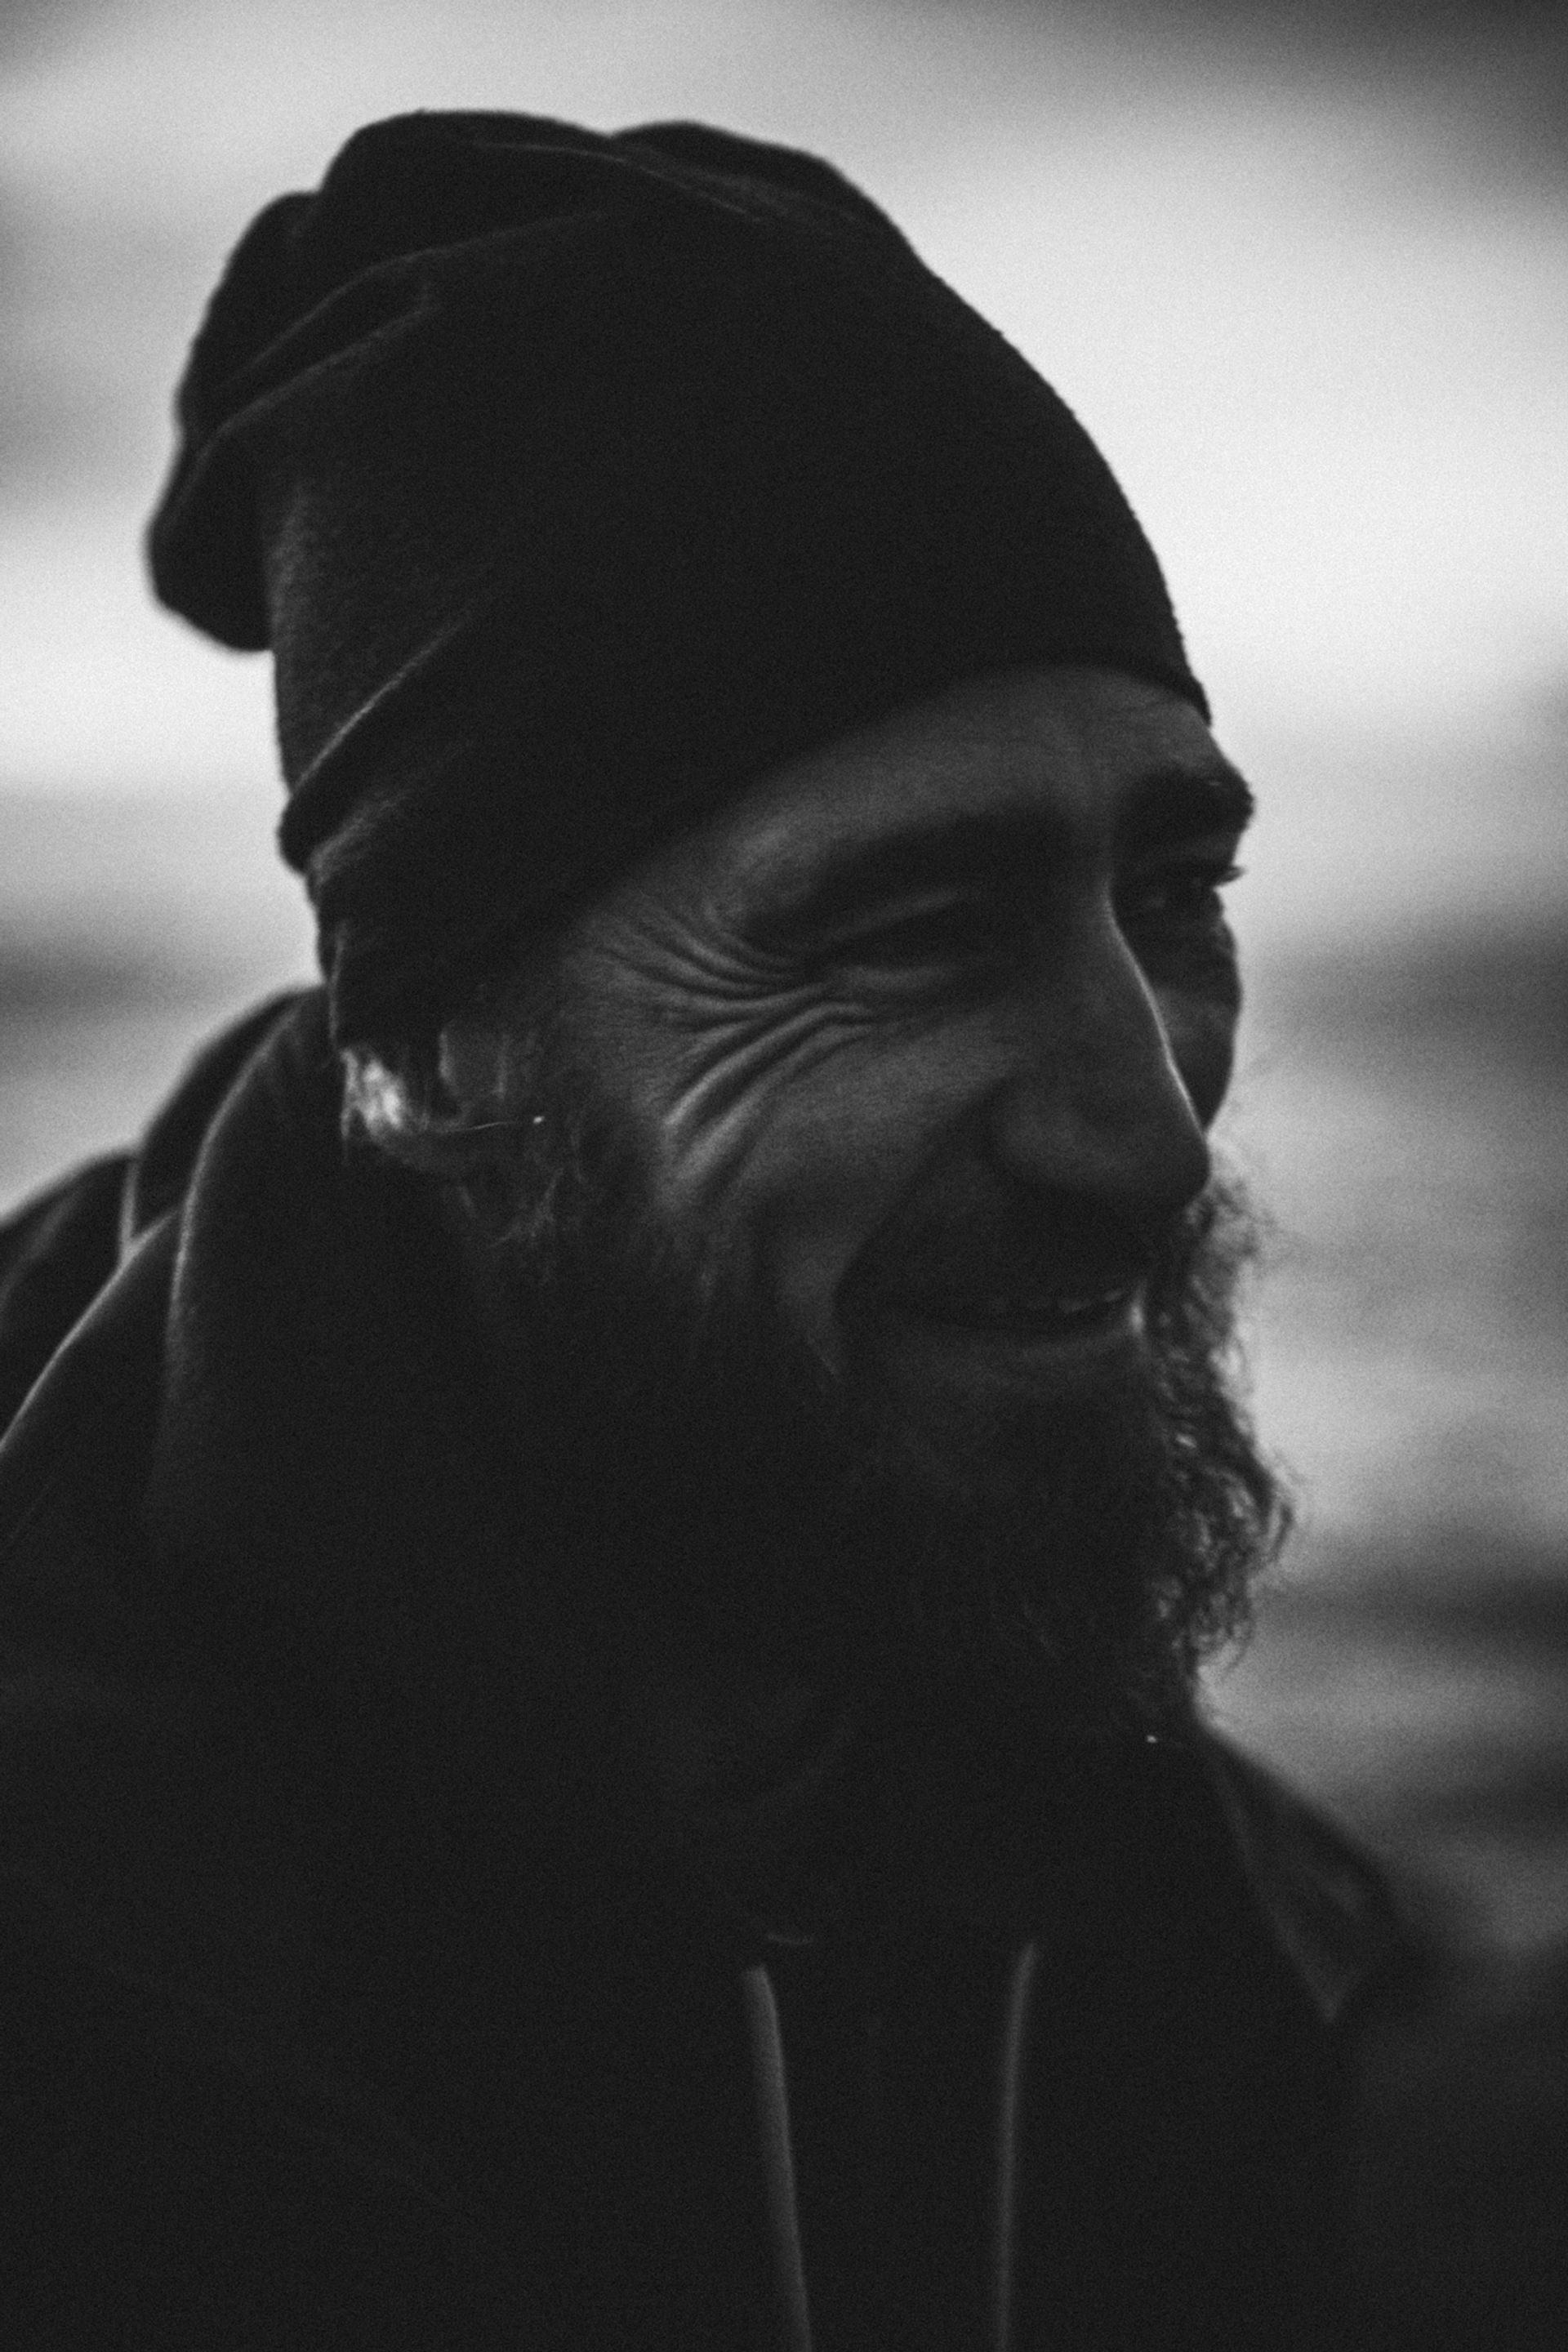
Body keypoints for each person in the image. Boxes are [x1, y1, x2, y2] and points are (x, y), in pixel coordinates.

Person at [0, 111, 1408, 2349]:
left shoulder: (1190, 1891)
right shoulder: (89, 2029)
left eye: (1176, 895)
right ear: (439, 1054)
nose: (1147, 1135)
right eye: (912, 929)